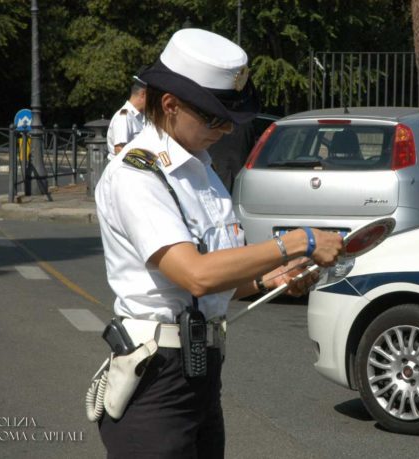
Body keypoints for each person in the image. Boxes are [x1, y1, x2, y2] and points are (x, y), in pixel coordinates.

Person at [94, 28, 343, 458]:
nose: (227, 128)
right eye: (214, 117)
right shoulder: (138, 175)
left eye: (231, 116)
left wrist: (271, 279)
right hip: (156, 377)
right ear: (169, 105)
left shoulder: (203, 171)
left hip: (201, 372)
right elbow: (196, 275)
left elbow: (222, 276)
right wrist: (296, 242)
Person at [106, 71, 147, 158]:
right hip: (126, 170)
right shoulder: (124, 117)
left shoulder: (140, 117)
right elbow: (119, 150)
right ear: (143, 94)